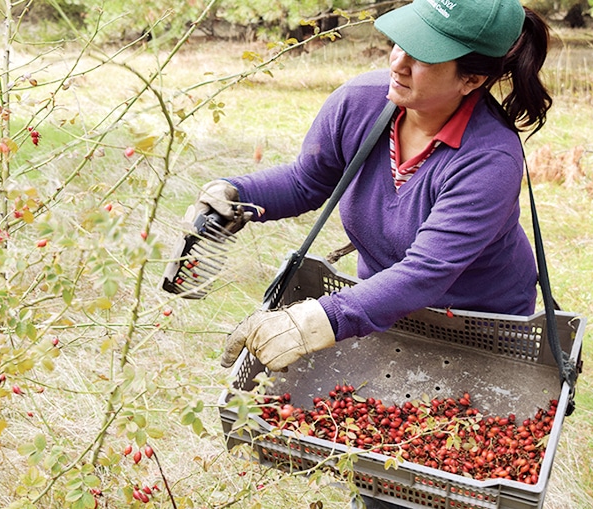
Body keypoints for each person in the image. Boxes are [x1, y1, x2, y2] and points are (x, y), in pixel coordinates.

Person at [200, 0, 550, 403]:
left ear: (470, 79)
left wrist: (315, 321)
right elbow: (305, 181)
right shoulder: (359, 103)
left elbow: (425, 272)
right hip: (383, 304)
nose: (399, 62)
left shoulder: (490, 160)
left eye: (423, 57)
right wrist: (236, 194)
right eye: (402, 42)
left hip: (479, 326)